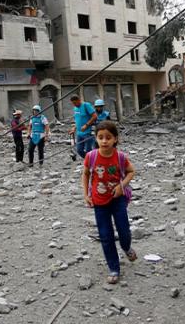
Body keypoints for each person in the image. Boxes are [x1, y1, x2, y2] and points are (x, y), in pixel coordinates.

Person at [81, 121, 137, 284]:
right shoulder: (91, 157)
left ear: (115, 139)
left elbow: (131, 171)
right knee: (106, 236)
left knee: (124, 231)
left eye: (108, 137)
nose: (104, 141)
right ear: (96, 139)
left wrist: (122, 186)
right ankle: (114, 268)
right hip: (99, 203)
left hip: (117, 200)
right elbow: (85, 175)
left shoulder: (120, 157)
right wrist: (86, 195)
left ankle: (126, 248)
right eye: (100, 137)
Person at [69, 95, 97, 161]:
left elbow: (95, 116)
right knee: (79, 150)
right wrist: (74, 128)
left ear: (79, 100)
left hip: (88, 132)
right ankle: (90, 161)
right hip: (79, 133)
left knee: (88, 150)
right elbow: (77, 120)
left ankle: (90, 162)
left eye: (75, 103)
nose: (74, 105)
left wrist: (86, 125)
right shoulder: (75, 108)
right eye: (73, 103)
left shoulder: (86, 105)